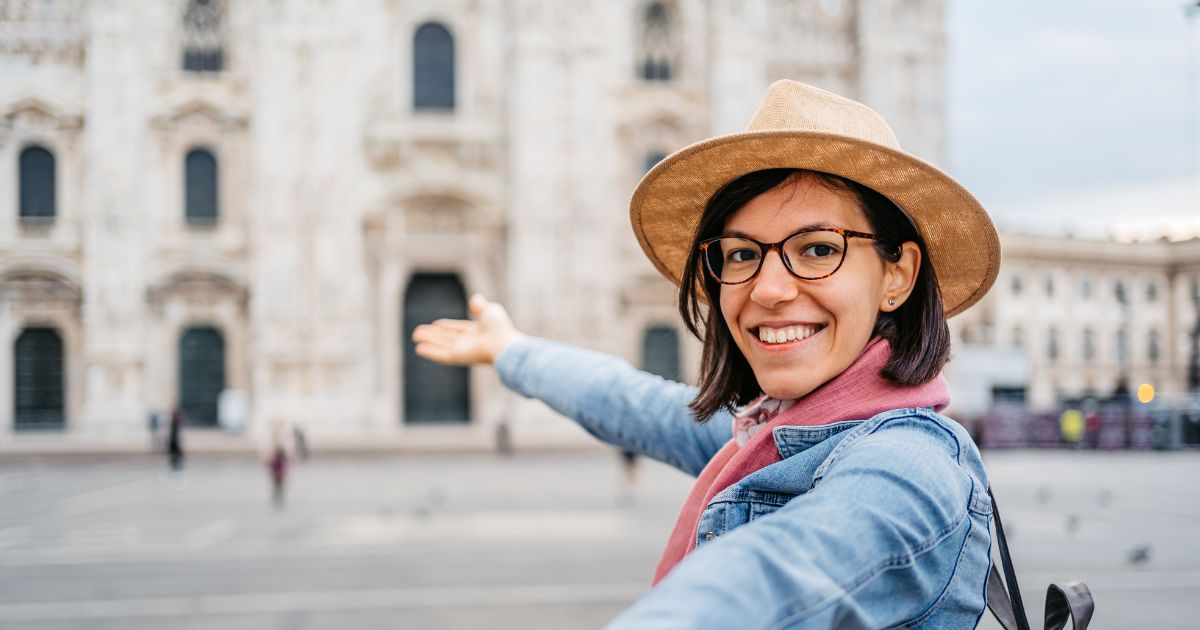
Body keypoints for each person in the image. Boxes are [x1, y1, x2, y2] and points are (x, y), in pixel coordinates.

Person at [413, 80, 1000, 628]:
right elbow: (635, 403)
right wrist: (511, 349)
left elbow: (772, 576)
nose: (768, 289)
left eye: (819, 248)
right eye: (742, 254)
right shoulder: (773, 432)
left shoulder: (908, 468)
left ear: (897, 275)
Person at [166, 407, 186, 472]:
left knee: (177, 454)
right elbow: (174, 434)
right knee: (176, 453)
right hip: (174, 441)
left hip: (174, 440)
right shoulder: (174, 423)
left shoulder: (175, 423)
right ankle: (175, 465)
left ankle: (175, 464)